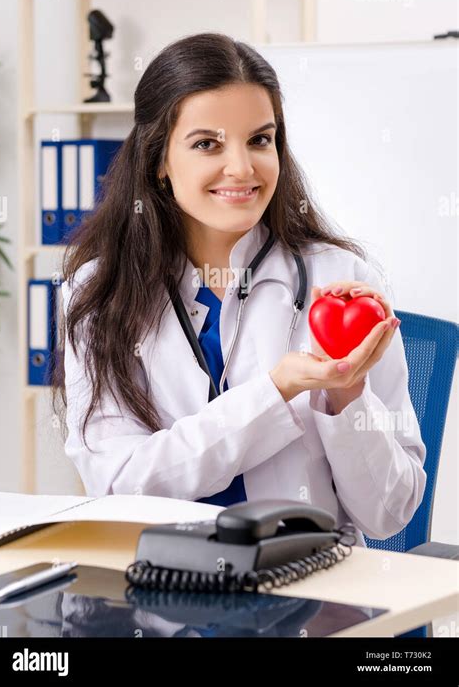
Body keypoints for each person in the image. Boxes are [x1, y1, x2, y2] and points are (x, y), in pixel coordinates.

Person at [53, 32, 426, 548]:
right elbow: (121, 487)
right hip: (163, 595)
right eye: (207, 143)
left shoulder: (345, 284)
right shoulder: (98, 293)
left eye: (260, 139)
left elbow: (390, 513)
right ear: (159, 160)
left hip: (310, 592)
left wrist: (346, 393)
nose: (242, 168)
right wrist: (277, 392)